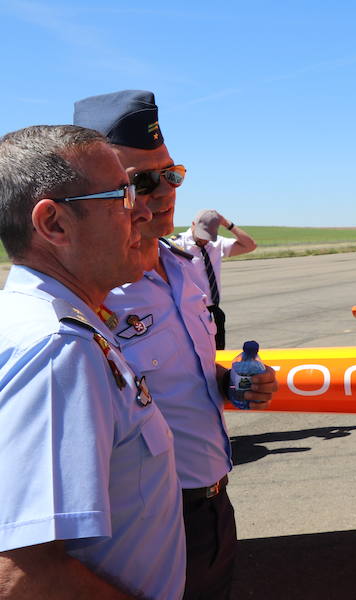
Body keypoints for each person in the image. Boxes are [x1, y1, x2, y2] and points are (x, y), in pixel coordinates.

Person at [74, 90, 277, 600]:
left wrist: (231, 383)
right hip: (145, 518)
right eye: (141, 180)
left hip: (215, 500)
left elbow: (178, 373)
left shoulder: (185, 267)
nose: (164, 192)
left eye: (171, 174)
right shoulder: (90, 289)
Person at [0, 125, 186, 598]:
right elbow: (21, 577)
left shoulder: (55, 323)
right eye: (124, 195)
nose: (145, 210)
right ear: (54, 225)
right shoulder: (59, 348)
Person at [172, 209, 257, 350]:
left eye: (208, 236)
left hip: (213, 312)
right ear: (193, 225)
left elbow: (250, 245)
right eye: (202, 235)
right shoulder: (177, 245)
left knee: (218, 355)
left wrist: (228, 224)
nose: (205, 240)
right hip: (190, 314)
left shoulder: (216, 244)